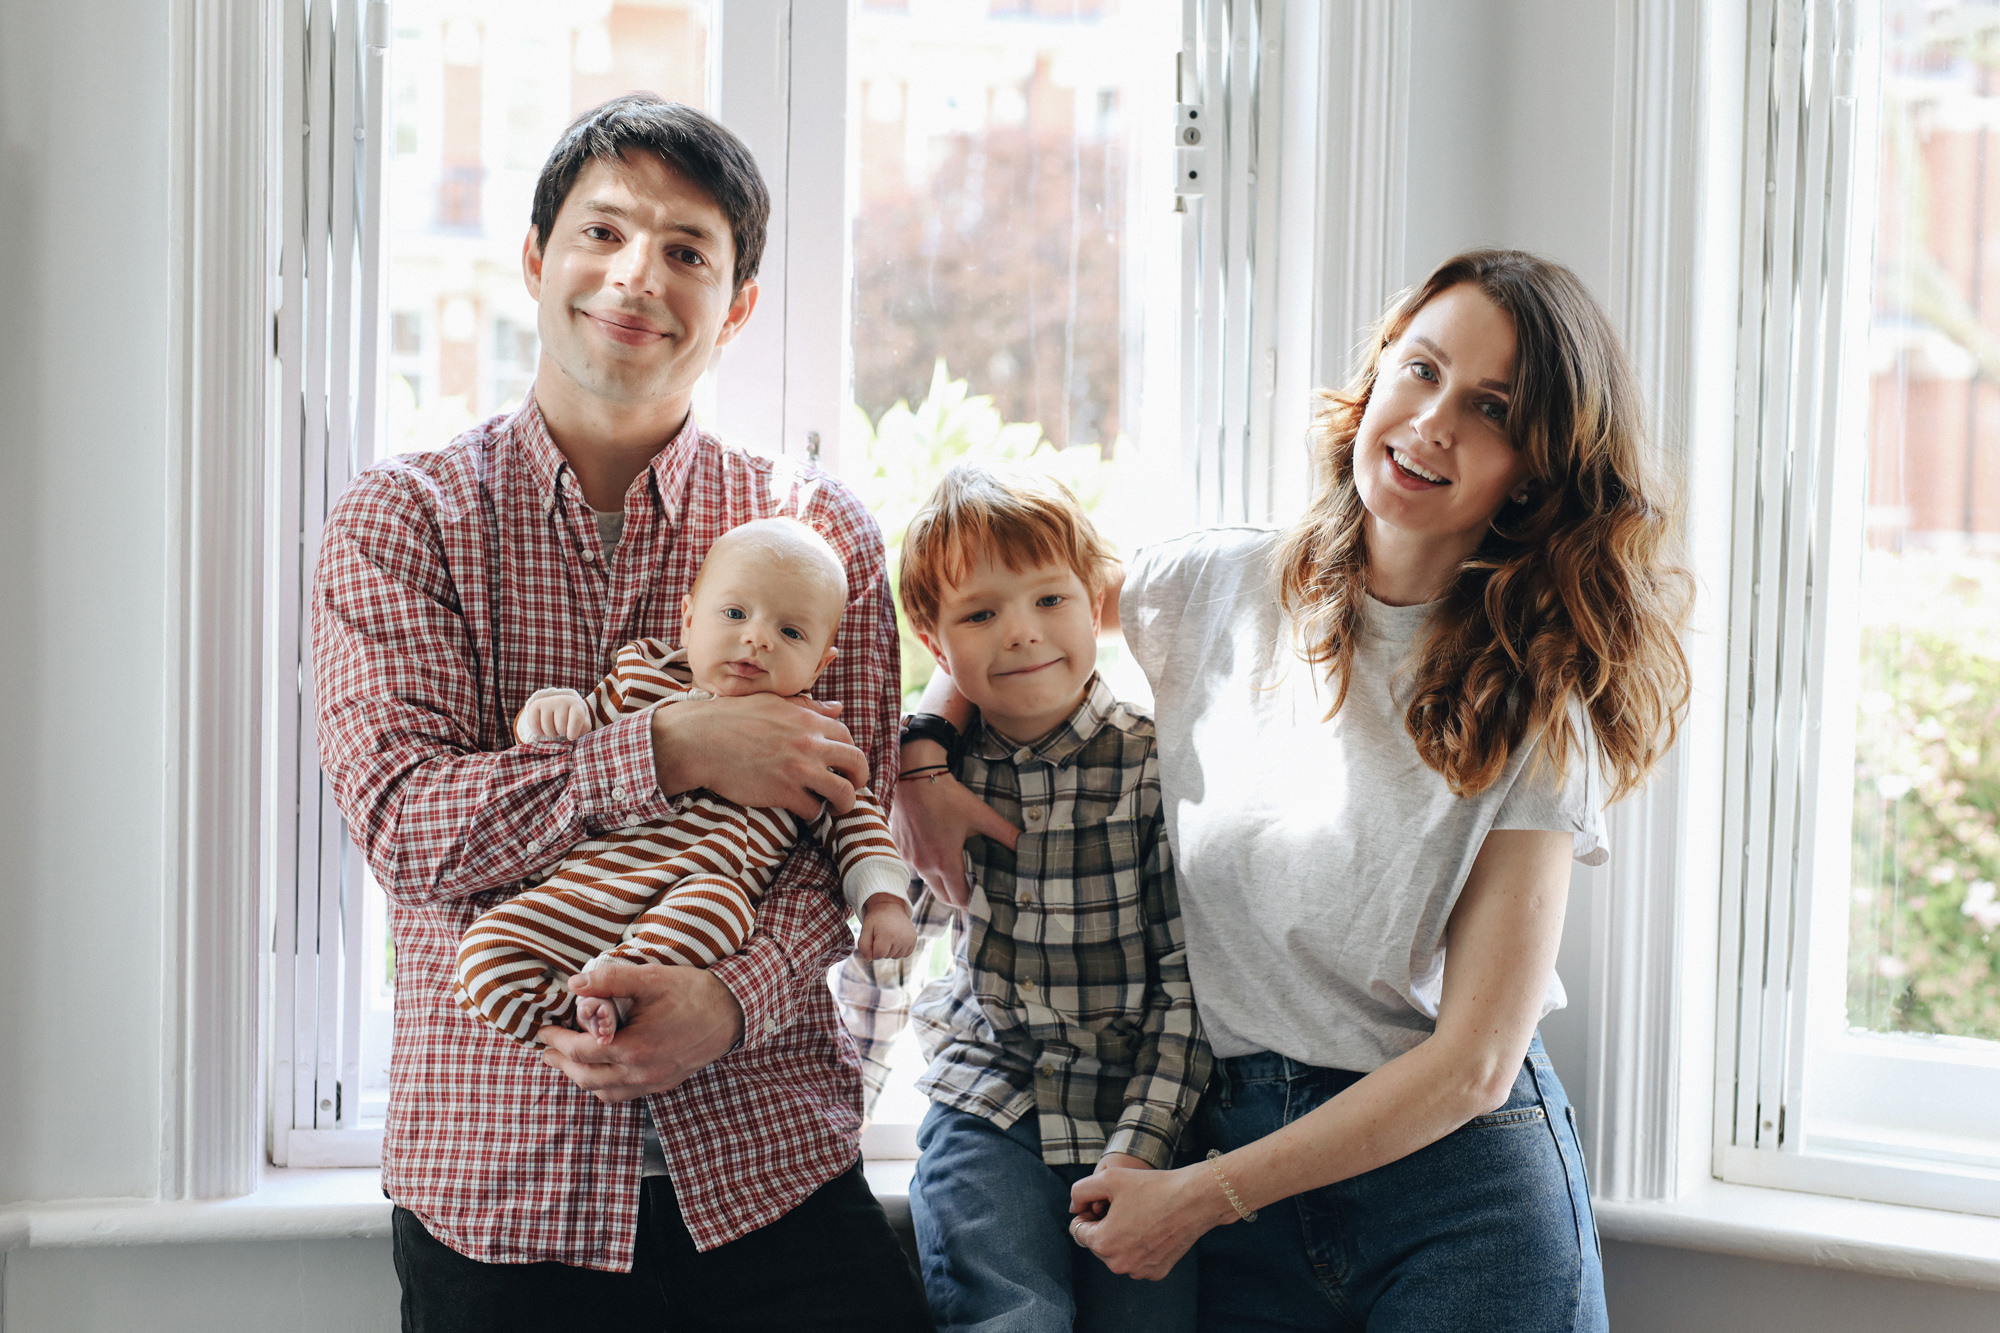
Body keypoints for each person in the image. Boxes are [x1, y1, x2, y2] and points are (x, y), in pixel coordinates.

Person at [895, 250, 1694, 1331]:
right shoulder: (1216, 587)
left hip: (1451, 1197)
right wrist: (921, 758)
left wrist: (1199, 1197)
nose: (1430, 422)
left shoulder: (1537, 702)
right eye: (1418, 371)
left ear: (1539, 468)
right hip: (1234, 1166)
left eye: (1490, 408)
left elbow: (1471, 1064)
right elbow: (1011, 617)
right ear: (1372, 380)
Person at [311, 94, 933, 1331]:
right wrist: (666, 746)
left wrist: (731, 1000)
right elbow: (407, 827)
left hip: (770, 1172)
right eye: (601, 233)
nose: (636, 275)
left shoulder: (818, 541)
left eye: (687, 251)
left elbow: (847, 842)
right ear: (537, 260)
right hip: (499, 1189)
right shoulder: (405, 522)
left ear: (737, 304)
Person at [838, 466, 1211, 1333]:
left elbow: (1188, 989)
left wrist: (1142, 1150)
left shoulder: (1154, 767)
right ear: (938, 647)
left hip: (1140, 1113)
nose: (1022, 634)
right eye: (980, 614)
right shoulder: (937, 781)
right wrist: (847, 1107)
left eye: (1050, 599)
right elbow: (884, 950)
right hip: (990, 1103)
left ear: (1096, 604)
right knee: (1013, 1317)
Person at [454, 518, 919, 1048]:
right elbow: (564, 747)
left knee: (722, 907)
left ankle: (619, 991)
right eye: (735, 613)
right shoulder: (638, 683)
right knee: (483, 952)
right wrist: (549, 711)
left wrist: (884, 902)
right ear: (689, 620)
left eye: (790, 632)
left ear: (819, 665)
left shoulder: (815, 739)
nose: (757, 637)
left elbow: (858, 821)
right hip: (587, 887)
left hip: (690, 904)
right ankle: (575, 1017)